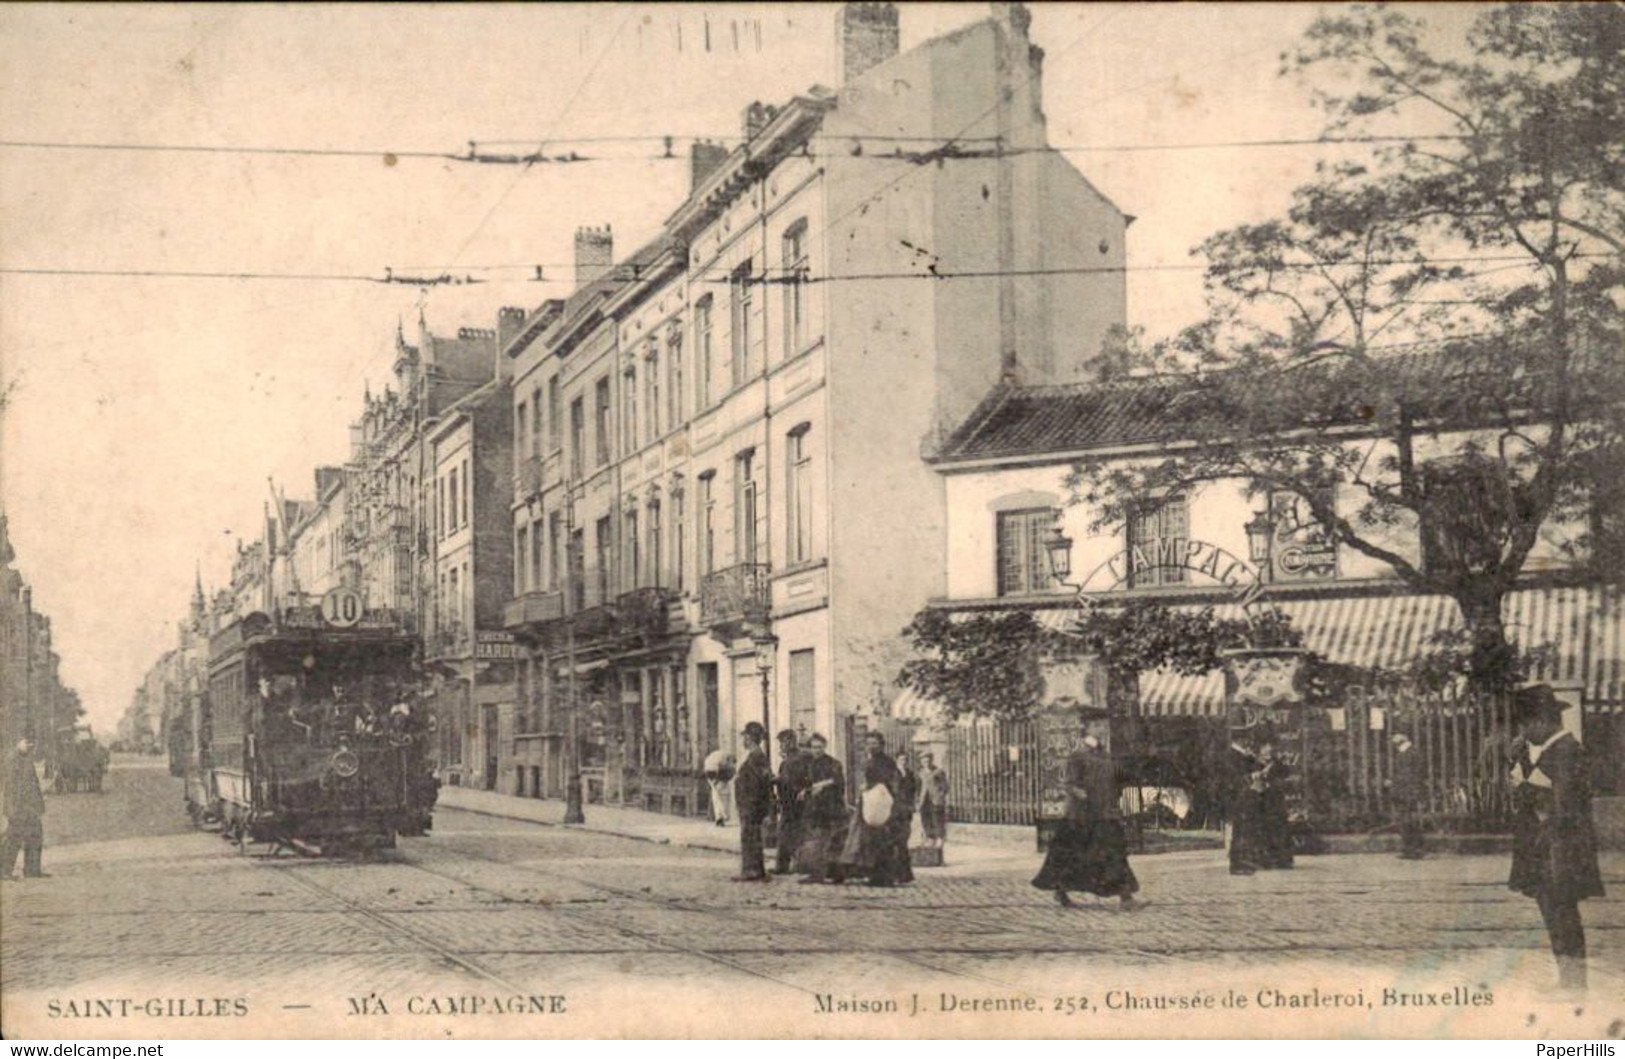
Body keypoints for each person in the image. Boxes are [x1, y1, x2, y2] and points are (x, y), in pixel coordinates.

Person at [1507, 684, 1604, 992]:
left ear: (1541, 721)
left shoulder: (1566, 751)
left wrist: (1523, 786)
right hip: (1547, 850)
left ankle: (1574, 986)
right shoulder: (1548, 751)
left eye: (1525, 724)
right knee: (1555, 915)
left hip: (1561, 850)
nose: (1523, 731)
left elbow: (1559, 806)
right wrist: (1519, 769)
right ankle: (1568, 982)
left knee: (1563, 916)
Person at [1031, 714, 1143, 910]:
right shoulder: (1079, 754)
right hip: (1082, 816)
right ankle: (1062, 892)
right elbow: (1070, 784)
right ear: (1087, 728)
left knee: (1113, 853)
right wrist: (1082, 795)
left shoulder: (1104, 754)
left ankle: (1126, 898)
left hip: (1105, 813)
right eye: (1097, 725)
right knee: (1075, 856)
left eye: (1103, 725)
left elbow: (1113, 780)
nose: (1101, 728)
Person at [840, 732, 914, 887]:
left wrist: (871, 788)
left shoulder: (886, 762)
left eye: (874, 743)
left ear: (881, 745)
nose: (871, 746)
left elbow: (889, 782)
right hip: (871, 801)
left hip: (882, 802)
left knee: (882, 840)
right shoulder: (871, 760)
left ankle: (884, 876)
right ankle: (874, 874)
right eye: (869, 743)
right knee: (870, 840)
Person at [2, 738, 48, 881]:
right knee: (12, 838)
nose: (29, 746)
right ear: (17, 742)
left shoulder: (25, 759)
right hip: (18, 806)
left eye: (30, 743)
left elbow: (32, 783)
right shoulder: (12, 759)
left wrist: (38, 803)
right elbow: (12, 787)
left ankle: (32, 870)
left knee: (35, 835)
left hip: (30, 806)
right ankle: (3, 871)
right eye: (26, 743)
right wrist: (13, 809)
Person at [731, 723, 773, 882]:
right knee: (753, 836)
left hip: (751, 805)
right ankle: (757, 869)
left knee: (749, 837)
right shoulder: (756, 756)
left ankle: (751, 870)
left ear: (750, 738)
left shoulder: (756, 757)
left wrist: (751, 804)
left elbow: (759, 783)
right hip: (751, 804)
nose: (743, 740)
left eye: (745, 737)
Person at [772, 730, 810, 875]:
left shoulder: (795, 760)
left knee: (787, 833)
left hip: (793, 803)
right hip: (790, 802)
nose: (780, 746)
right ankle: (786, 865)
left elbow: (791, 781)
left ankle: (784, 866)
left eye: (782, 742)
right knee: (789, 834)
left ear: (790, 742)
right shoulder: (791, 759)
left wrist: (776, 780)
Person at [1225, 738, 1265, 876]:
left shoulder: (1243, 756)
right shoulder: (1232, 756)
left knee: (1244, 831)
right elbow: (1233, 779)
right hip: (1238, 799)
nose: (1249, 745)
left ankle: (1243, 863)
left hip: (1245, 798)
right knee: (1240, 832)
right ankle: (1237, 865)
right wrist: (1252, 776)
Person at [1256, 743, 1295, 870]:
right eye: (1265, 750)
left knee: (1279, 830)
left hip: (1276, 801)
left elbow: (1286, 775)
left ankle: (1282, 859)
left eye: (1270, 751)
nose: (1268, 753)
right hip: (1261, 802)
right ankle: (1265, 859)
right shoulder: (1254, 762)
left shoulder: (1277, 764)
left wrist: (1272, 782)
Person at [1390, 733, 1427, 860]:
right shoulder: (1408, 753)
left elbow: (1411, 775)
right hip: (1406, 792)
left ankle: (1414, 849)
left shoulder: (1410, 754)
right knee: (1407, 821)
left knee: (1409, 821)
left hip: (1408, 792)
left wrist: (1394, 782)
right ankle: (1410, 849)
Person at [918, 752, 949, 850]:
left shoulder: (938, 772)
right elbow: (917, 787)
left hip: (936, 800)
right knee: (926, 819)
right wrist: (917, 800)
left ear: (931, 760)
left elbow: (945, 786)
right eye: (923, 761)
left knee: (937, 819)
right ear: (921, 762)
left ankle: (939, 838)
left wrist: (940, 795)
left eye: (928, 760)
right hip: (924, 800)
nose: (926, 762)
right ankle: (930, 838)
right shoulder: (919, 773)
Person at [702, 746, 735, 827]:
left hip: (713, 776)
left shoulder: (715, 757)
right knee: (720, 799)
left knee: (716, 798)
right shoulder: (722, 758)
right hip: (716, 776)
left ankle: (718, 817)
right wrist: (718, 780)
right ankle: (721, 817)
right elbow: (722, 770)